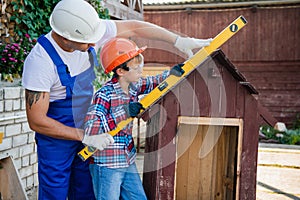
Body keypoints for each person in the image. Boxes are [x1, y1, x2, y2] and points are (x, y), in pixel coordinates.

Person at [22, 0, 212, 199]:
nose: (94, 44)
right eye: (88, 42)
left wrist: (178, 41)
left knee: (86, 189)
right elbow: (37, 121)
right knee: (55, 192)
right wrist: (85, 135)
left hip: (89, 122)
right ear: (65, 37)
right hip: (57, 137)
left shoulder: (88, 29)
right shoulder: (40, 62)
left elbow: (134, 27)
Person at [84, 37, 185, 200]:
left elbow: (152, 82)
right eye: (136, 68)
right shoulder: (104, 95)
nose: (140, 72)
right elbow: (91, 128)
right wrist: (123, 112)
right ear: (121, 71)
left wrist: (170, 74)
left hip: (127, 159)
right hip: (107, 164)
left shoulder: (133, 87)